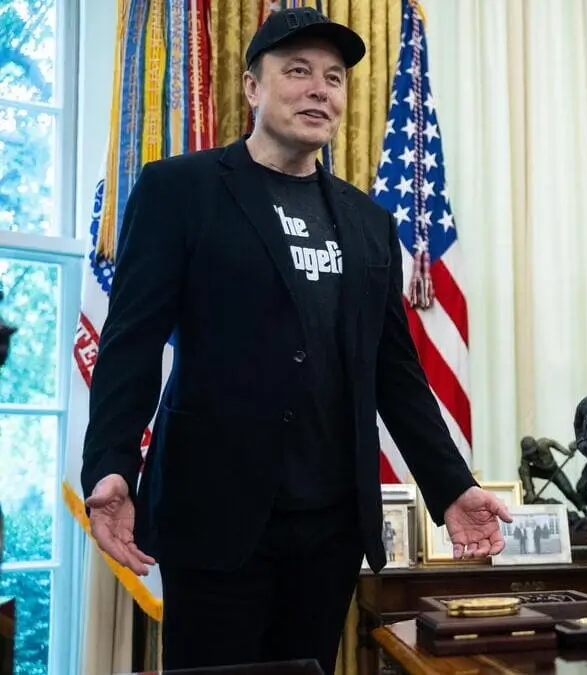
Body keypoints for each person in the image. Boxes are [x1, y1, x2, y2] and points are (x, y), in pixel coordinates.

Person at [78, 8, 511, 673]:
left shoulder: (369, 221)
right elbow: (130, 345)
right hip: (214, 515)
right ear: (253, 87)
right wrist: (110, 461)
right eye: (299, 71)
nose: (320, 90)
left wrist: (451, 486)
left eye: (334, 78)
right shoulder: (179, 190)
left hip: (330, 528)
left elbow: (394, 372)